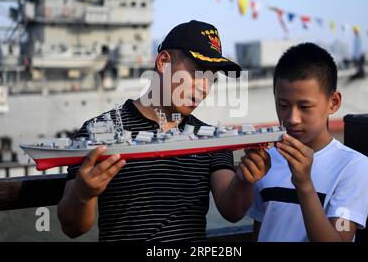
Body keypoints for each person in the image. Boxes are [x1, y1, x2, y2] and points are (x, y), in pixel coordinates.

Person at [57, 20, 270, 241]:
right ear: (164, 62)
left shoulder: (212, 140)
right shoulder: (98, 132)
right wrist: (83, 194)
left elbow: (232, 212)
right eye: (198, 73)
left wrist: (245, 180)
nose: (205, 88)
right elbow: (72, 228)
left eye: (212, 78)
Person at [247, 42, 368, 242]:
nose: (292, 118)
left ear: (334, 102)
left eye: (305, 107)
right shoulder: (267, 161)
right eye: (283, 105)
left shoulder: (353, 166)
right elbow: (262, 229)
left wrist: (304, 184)